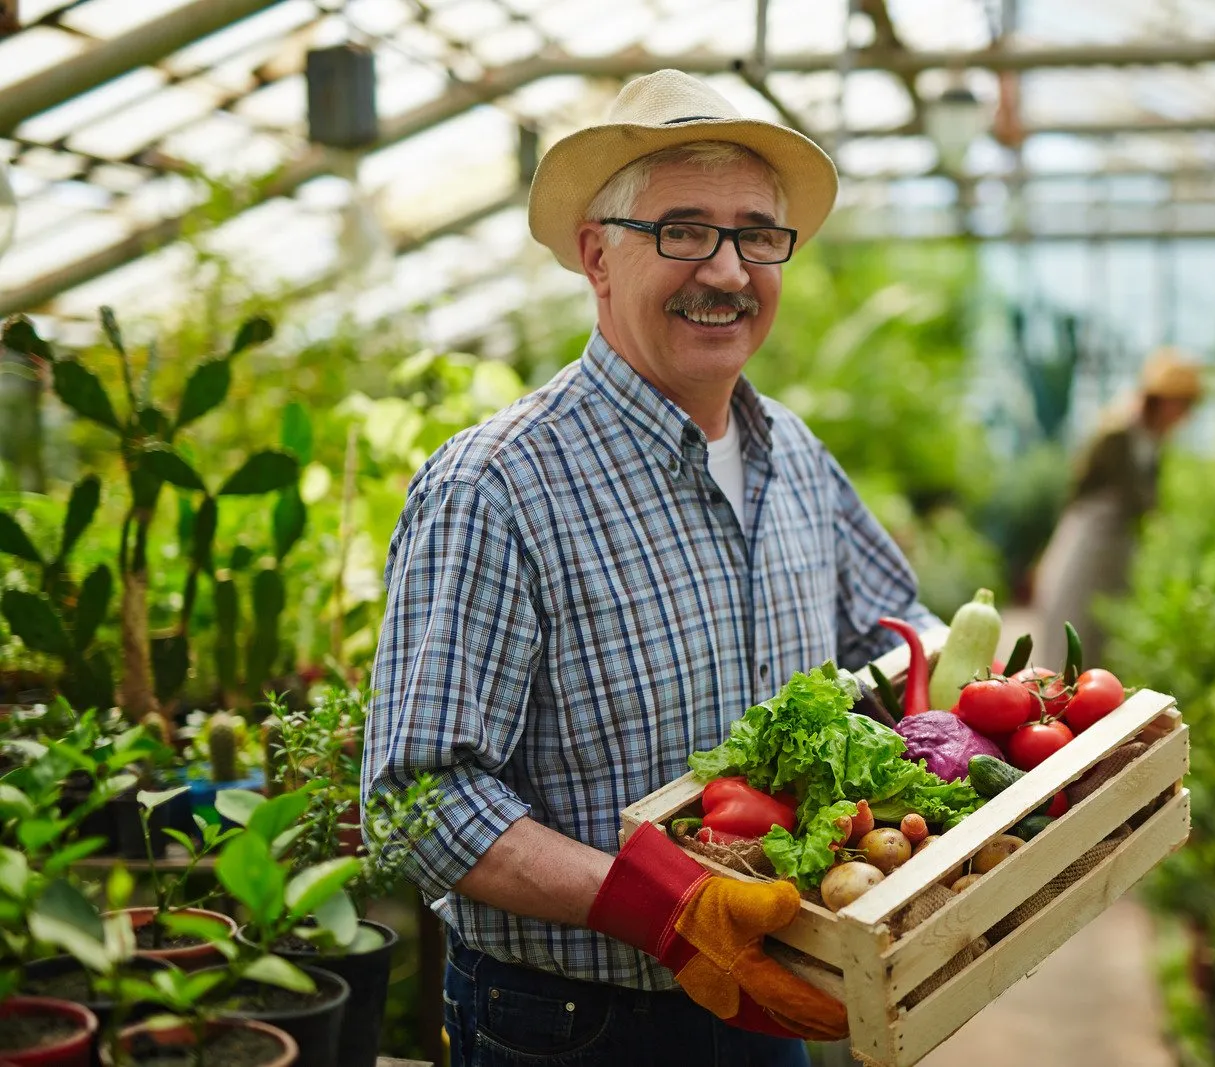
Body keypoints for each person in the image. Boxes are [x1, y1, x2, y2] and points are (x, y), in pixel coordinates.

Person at [361, 69, 941, 1067]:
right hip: (574, 1026)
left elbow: (895, 639)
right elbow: (418, 800)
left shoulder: (792, 455)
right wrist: (663, 908)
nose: (726, 270)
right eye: (682, 229)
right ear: (596, 254)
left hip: (773, 985)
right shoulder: (499, 485)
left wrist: (1011, 733)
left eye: (757, 234)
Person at [1032, 347, 1203, 672]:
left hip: (1119, 542)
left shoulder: (1153, 438)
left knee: (1102, 630)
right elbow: (1083, 489)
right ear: (1162, 399)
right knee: (1073, 616)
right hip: (1091, 536)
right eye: (1183, 404)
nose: (1185, 415)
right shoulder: (1119, 432)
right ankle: (1056, 700)